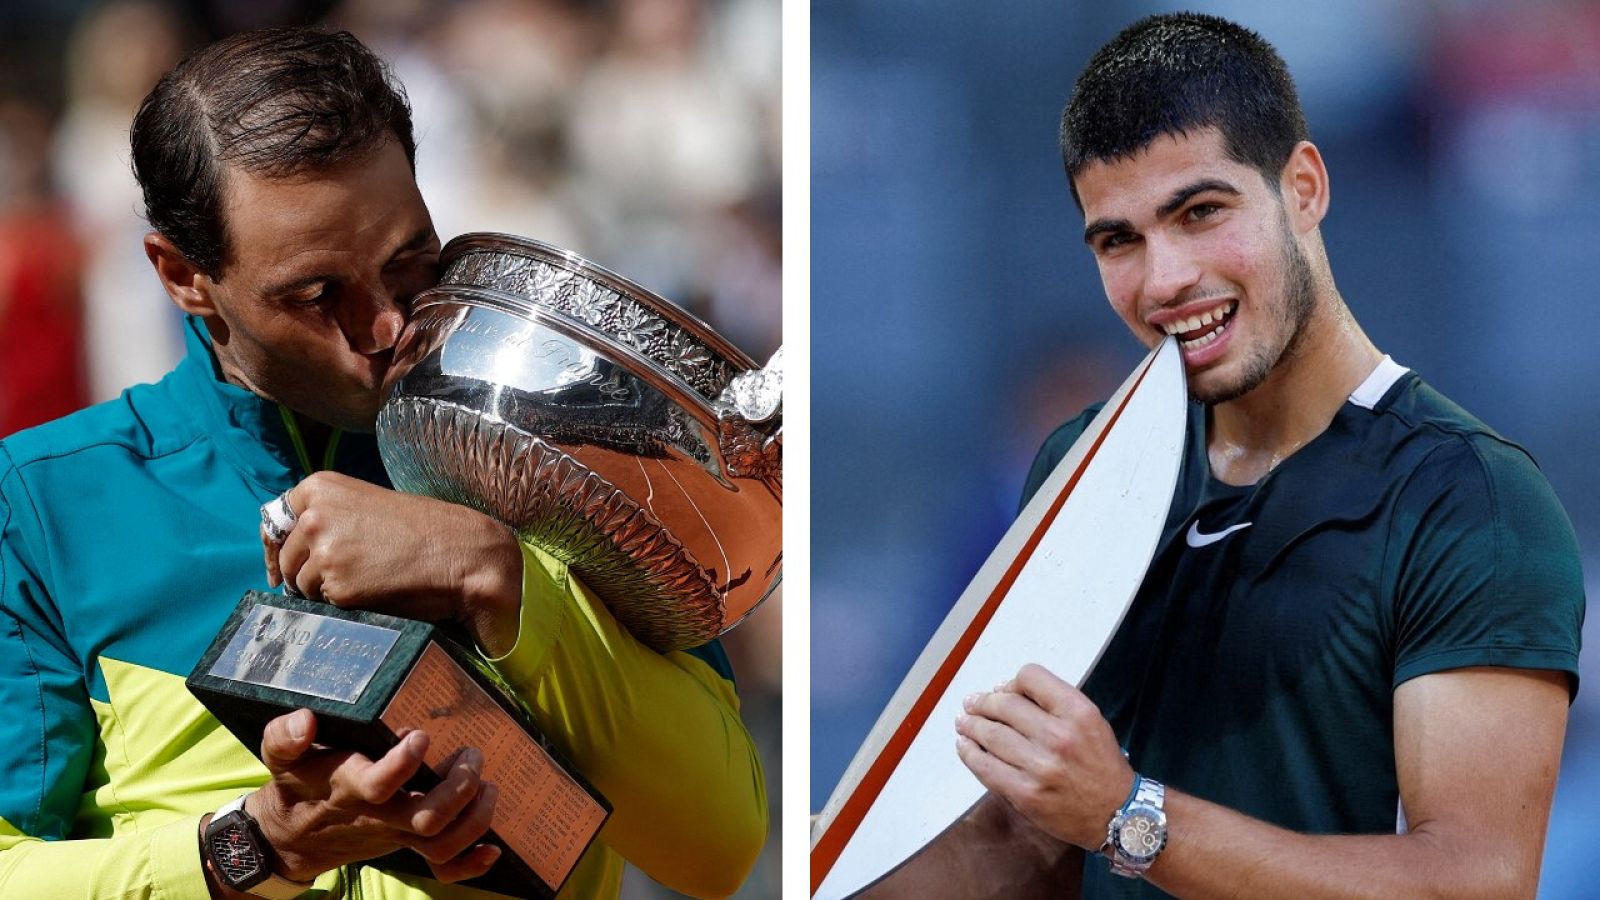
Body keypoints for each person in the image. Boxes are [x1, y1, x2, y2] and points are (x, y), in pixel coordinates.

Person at [0, 26, 765, 900]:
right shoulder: (38, 502)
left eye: (410, 262)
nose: (388, 328)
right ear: (181, 275)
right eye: (316, 293)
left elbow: (722, 849)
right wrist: (254, 852)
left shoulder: (565, 454)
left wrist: (492, 570)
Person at [867, 13, 1585, 899]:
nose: (1164, 279)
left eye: (1200, 212)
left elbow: (1476, 882)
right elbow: (1029, 840)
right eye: (1118, 239)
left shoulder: (1474, 499)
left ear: (1305, 188)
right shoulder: (1080, 465)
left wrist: (1126, 812)